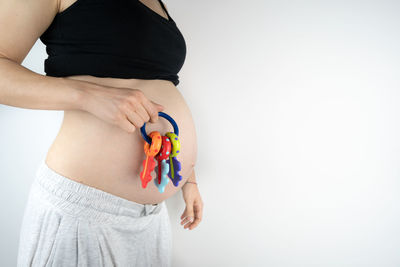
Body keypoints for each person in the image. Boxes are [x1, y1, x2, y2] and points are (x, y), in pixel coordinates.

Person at [0, 0, 203, 265]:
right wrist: (88, 96)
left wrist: (187, 177)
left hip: (151, 220)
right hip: (85, 213)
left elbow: (157, 81)